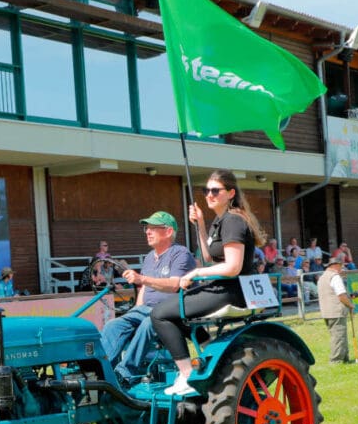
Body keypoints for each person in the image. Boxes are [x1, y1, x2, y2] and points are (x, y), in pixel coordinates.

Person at [151, 170, 265, 396]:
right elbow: (210, 258)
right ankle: (208, 352)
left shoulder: (232, 220)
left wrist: (195, 274)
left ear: (231, 193)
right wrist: (201, 225)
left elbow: (232, 267)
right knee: (175, 310)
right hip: (223, 286)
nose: (209, 195)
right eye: (206, 191)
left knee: (160, 314)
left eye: (215, 190)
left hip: (232, 290)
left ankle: (186, 375)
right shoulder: (221, 220)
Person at [100, 211, 195, 385]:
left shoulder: (180, 254)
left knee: (148, 323)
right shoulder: (150, 257)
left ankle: (125, 374)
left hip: (170, 311)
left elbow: (175, 284)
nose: (147, 232)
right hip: (145, 309)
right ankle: (103, 373)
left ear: (168, 232)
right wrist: (137, 307)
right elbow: (144, 289)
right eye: (147, 228)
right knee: (113, 325)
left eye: (153, 228)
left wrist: (141, 278)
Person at [317, 256, 355, 364]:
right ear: (336, 265)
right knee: (339, 336)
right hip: (336, 311)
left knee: (338, 335)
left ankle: (345, 358)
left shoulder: (322, 277)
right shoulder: (335, 277)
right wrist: (351, 305)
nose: (342, 269)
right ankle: (336, 361)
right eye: (341, 266)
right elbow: (341, 296)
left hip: (326, 311)